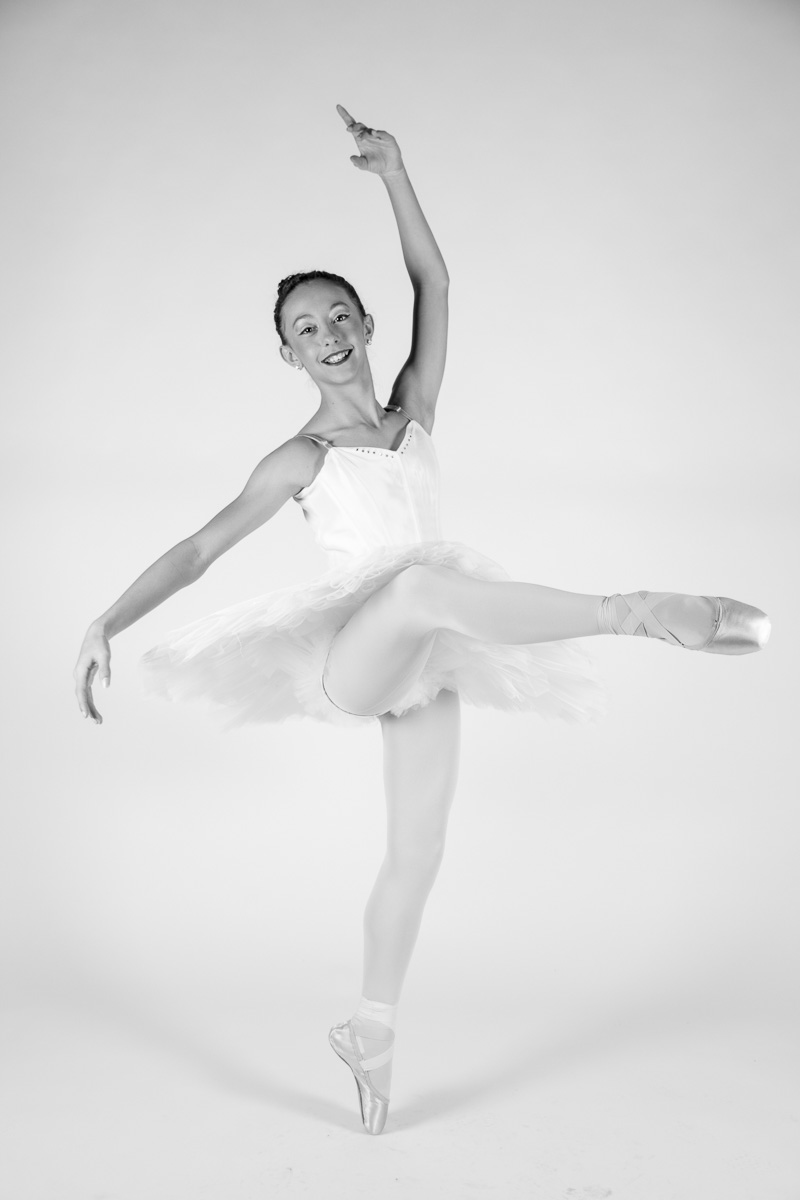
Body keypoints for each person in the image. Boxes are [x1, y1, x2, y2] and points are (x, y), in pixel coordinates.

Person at [73, 105, 771, 1135]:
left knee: (418, 852)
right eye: (303, 330)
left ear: (363, 323)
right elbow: (197, 551)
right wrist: (106, 619)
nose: (326, 337)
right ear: (286, 355)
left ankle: (371, 1030)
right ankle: (635, 612)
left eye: (336, 317)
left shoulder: (414, 413)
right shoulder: (301, 460)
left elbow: (435, 283)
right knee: (414, 587)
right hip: (354, 657)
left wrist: (394, 173)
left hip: (433, 652)